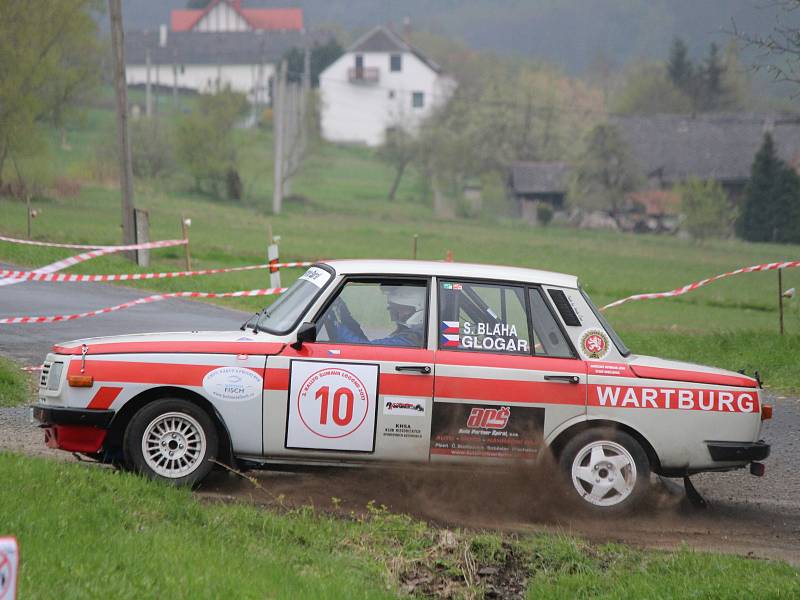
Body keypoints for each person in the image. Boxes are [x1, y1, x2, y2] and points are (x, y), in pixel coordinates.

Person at [323, 285, 425, 347]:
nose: (396, 313)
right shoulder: (412, 334)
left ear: (419, 309)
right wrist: (344, 314)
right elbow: (364, 344)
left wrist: (334, 323)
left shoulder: (411, 339)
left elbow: (361, 348)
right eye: (394, 308)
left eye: (401, 309)